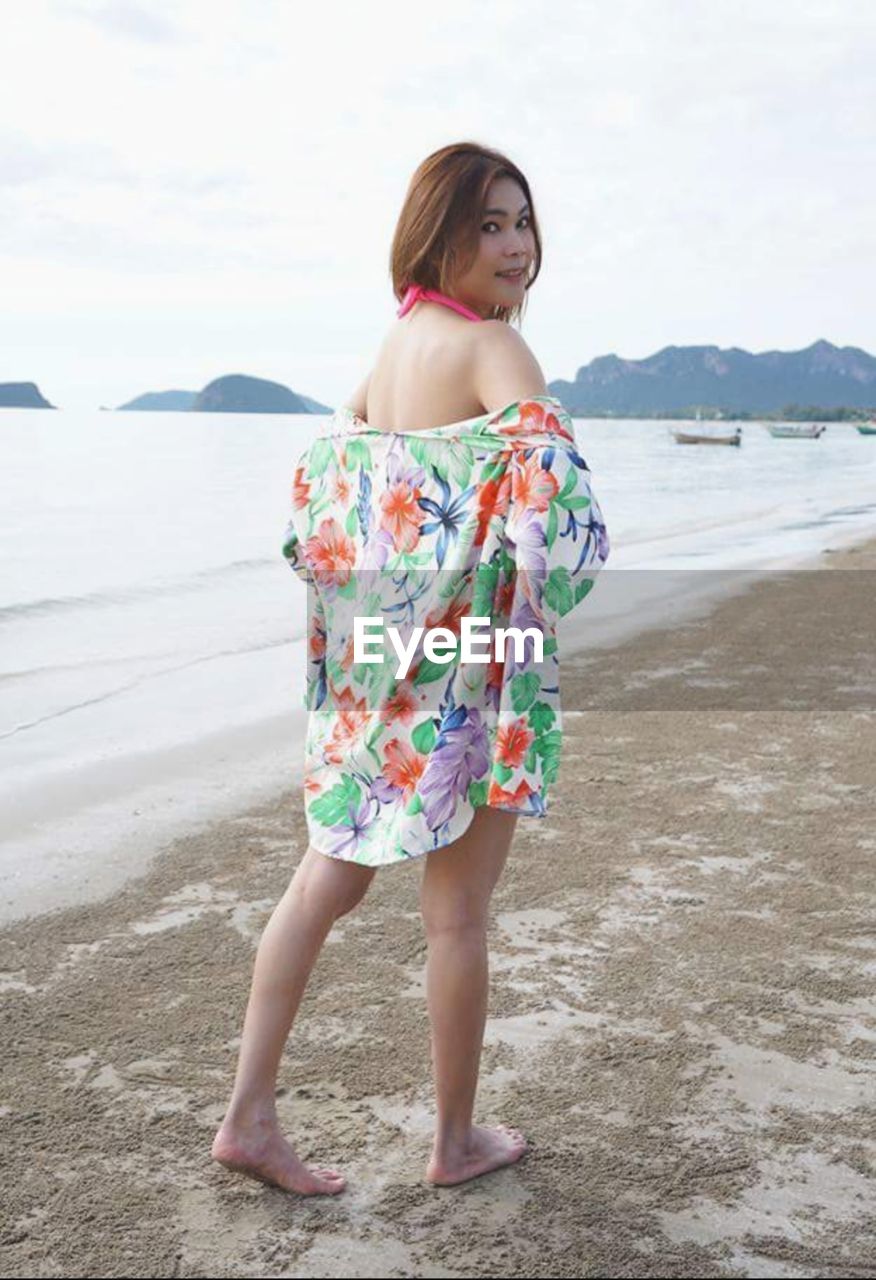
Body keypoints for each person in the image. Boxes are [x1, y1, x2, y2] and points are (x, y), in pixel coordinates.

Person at [211, 140, 608, 1196]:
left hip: (376, 664)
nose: (516, 244)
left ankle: (249, 1109)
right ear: (436, 232)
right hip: (467, 670)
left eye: (523, 222)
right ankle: (455, 1139)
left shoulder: (382, 361)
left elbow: (321, 521)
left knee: (321, 879)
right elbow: (564, 534)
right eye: (489, 223)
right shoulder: (495, 355)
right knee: (458, 916)